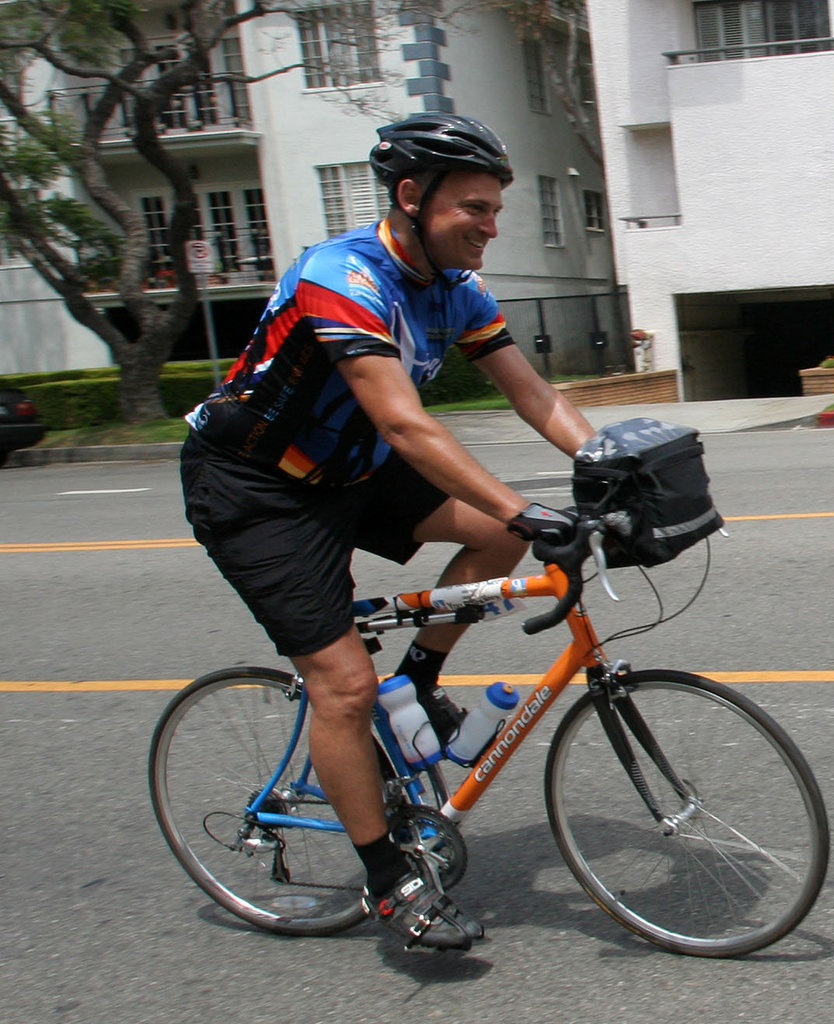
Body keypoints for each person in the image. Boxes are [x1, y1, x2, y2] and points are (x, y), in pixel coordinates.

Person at [180, 113, 595, 951]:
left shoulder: (456, 290)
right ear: (411, 197)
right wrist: (529, 505)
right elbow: (406, 425)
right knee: (342, 684)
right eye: (473, 208)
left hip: (350, 469)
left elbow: (535, 396)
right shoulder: (341, 275)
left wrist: (617, 463)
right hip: (258, 487)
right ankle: (389, 881)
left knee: (493, 534)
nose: (490, 225)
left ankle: (421, 688)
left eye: (494, 208)